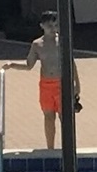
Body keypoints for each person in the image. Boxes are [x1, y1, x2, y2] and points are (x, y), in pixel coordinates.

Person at [26, 20, 74, 148]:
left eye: (55, 25)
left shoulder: (62, 42)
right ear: (42, 25)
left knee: (65, 117)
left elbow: (71, 63)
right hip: (46, 85)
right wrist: (12, 65)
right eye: (49, 26)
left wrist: (76, 84)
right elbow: (29, 65)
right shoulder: (37, 44)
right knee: (48, 117)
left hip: (61, 83)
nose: (53, 29)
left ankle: (68, 147)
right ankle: (50, 147)